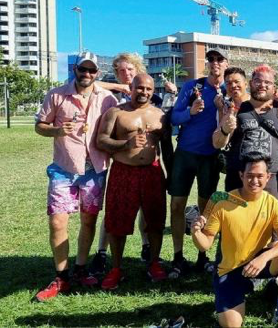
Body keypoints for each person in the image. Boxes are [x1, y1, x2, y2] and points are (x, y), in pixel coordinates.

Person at [33, 52, 117, 301]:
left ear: (97, 74)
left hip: (95, 169)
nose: (87, 74)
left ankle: (80, 269)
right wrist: (57, 130)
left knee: (89, 221)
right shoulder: (57, 95)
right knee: (58, 222)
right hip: (64, 168)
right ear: (75, 69)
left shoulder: (107, 99)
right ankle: (62, 276)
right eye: (83, 70)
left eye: (92, 71)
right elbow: (40, 125)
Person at [191, 154, 278, 328]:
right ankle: (235, 295)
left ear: (268, 177)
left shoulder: (273, 204)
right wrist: (195, 232)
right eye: (250, 175)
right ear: (241, 175)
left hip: (258, 263)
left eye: (260, 176)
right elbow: (205, 244)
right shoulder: (223, 202)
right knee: (231, 325)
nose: (255, 180)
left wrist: (263, 258)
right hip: (229, 271)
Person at [88, 52, 174, 278]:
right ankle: (116, 268)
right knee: (117, 222)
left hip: (152, 173)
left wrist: (170, 174)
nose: (144, 92)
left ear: (153, 91)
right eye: (140, 88)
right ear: (131, 87)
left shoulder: (160, 115)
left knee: (155, 221)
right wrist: (127, 143)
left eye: (148, 89)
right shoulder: (115, 112)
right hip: (123, 172)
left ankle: (154, 263)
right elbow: (101, 141)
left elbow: (166, 147)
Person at [169, 48, 228, 276]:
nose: (215, 62)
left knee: (205, 208)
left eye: (219, 59)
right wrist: (190, 112)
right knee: (176, 205)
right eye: (211, 59)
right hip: (185, 153)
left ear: (225, 63)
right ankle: (177, 257)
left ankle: (202, 257)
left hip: (210, 157)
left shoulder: (228, 90)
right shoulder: (193, 87)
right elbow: (174, 116)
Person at [213, 64, 278, 201]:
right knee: (238, 221)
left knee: (272, 221)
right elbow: (217, 143)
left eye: (267, 82)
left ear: (274, 87)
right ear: (251, 84)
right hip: (239, 179)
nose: (262, 85)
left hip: (271, 180)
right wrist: (225, 130)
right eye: (258, 81)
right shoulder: (235, 110)